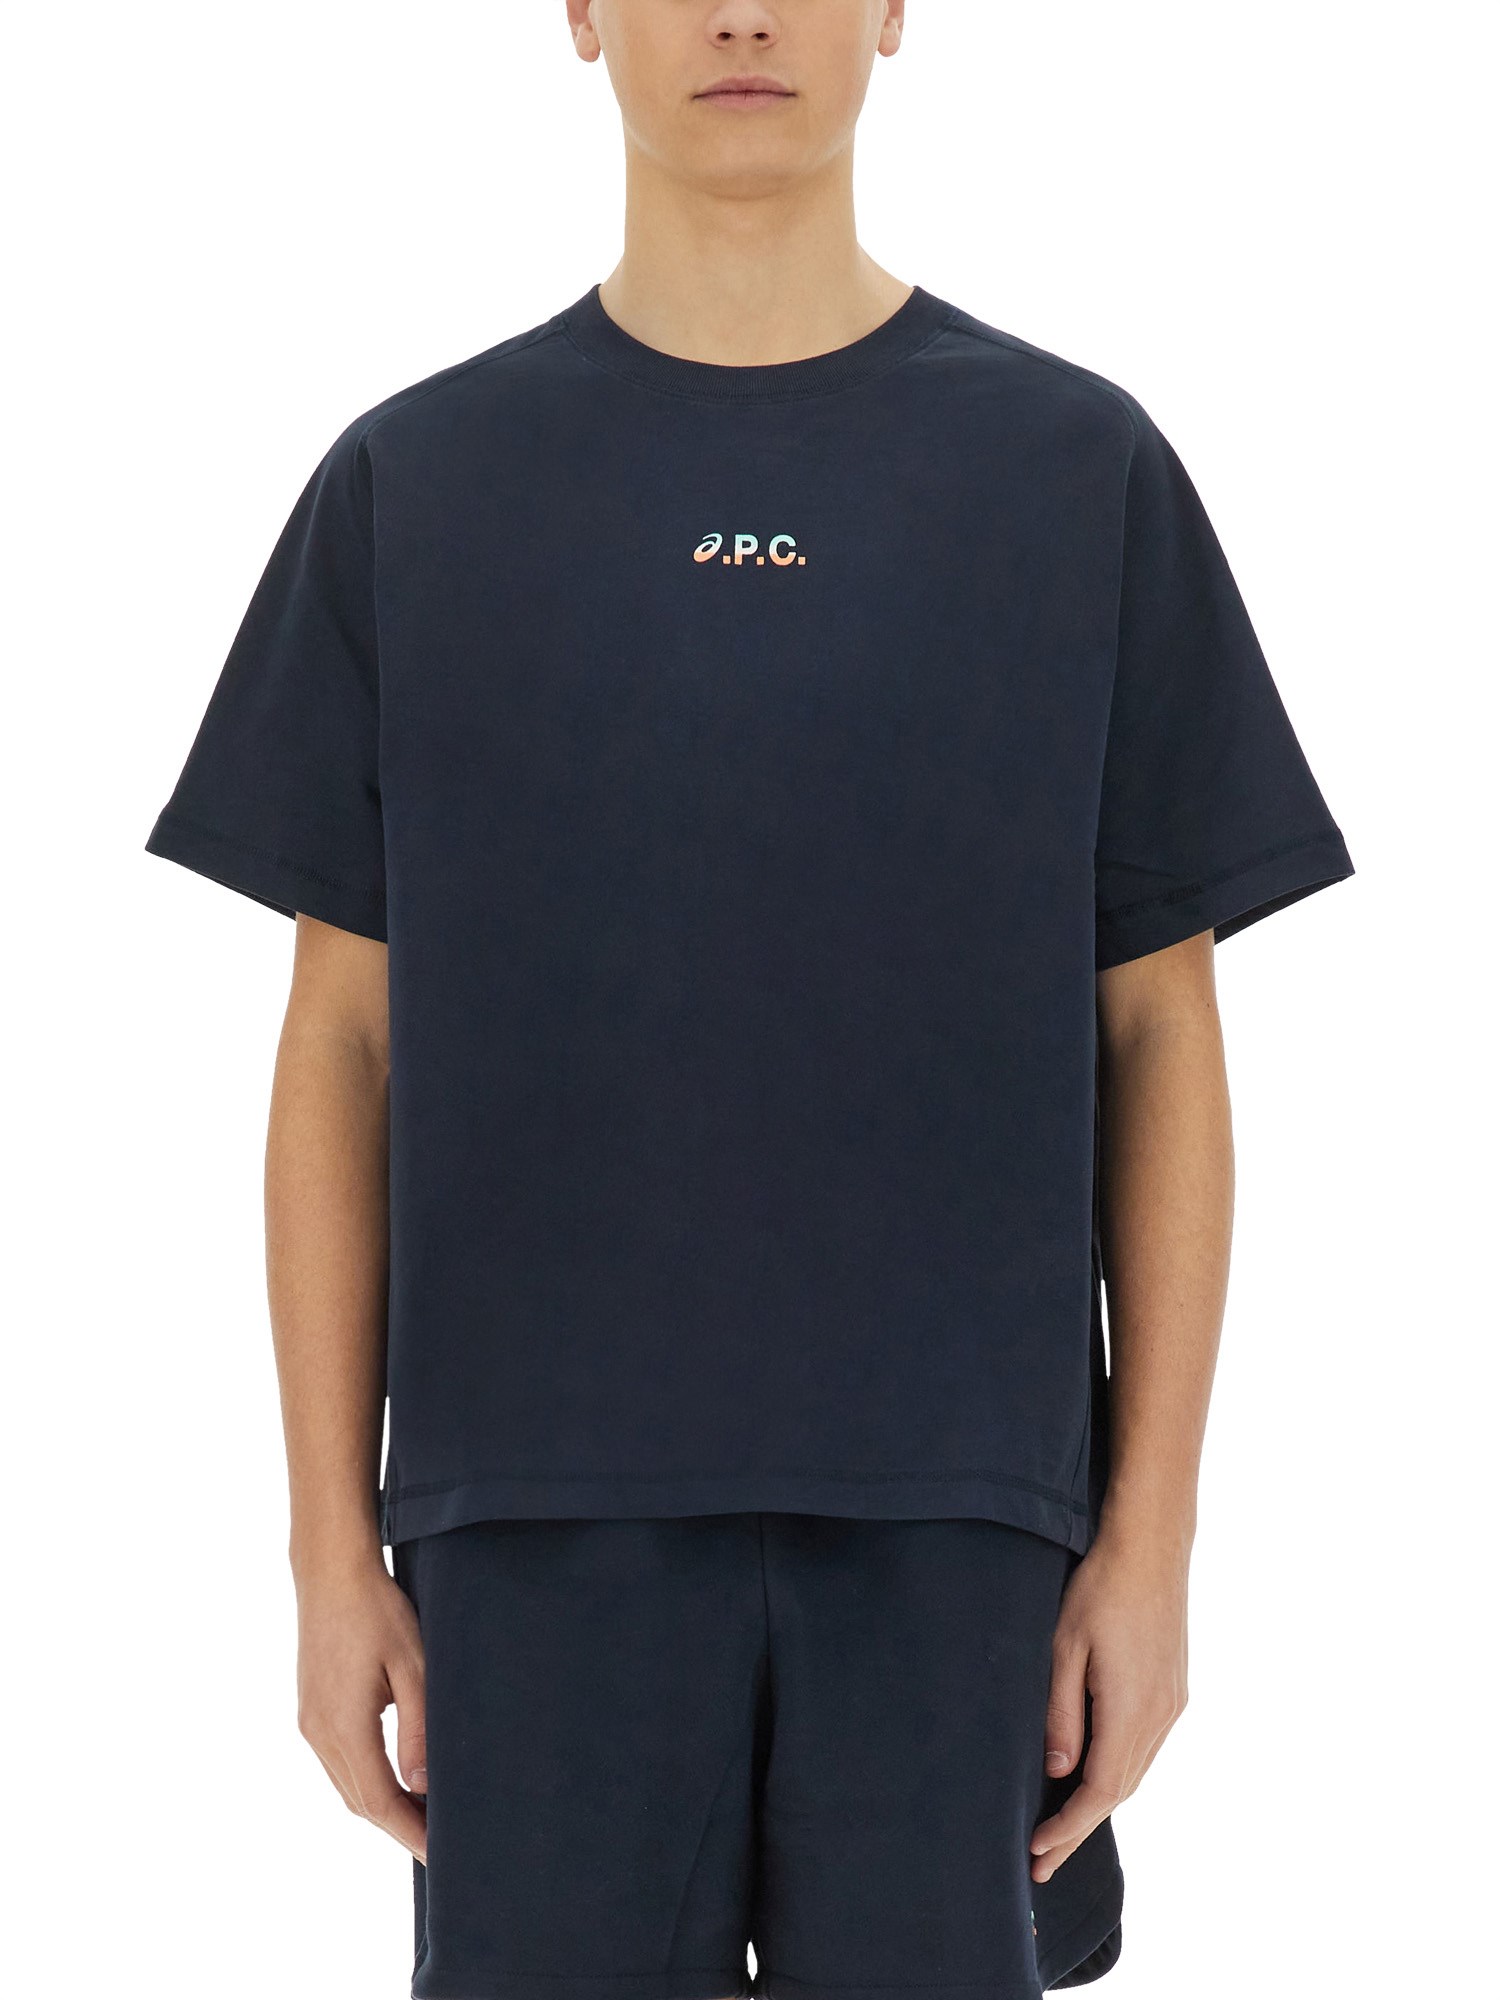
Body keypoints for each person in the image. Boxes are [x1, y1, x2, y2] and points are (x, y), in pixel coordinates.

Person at [144, 4, 1355, 1995]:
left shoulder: (1078, 472)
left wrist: (1154, 1539)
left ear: (894, 11)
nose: (740, 13)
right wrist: (322, 1546)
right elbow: (339, 1046)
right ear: (577, 12)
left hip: (964, 1524)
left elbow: (1164, 1032)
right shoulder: (416, 484)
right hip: (532, 1525)